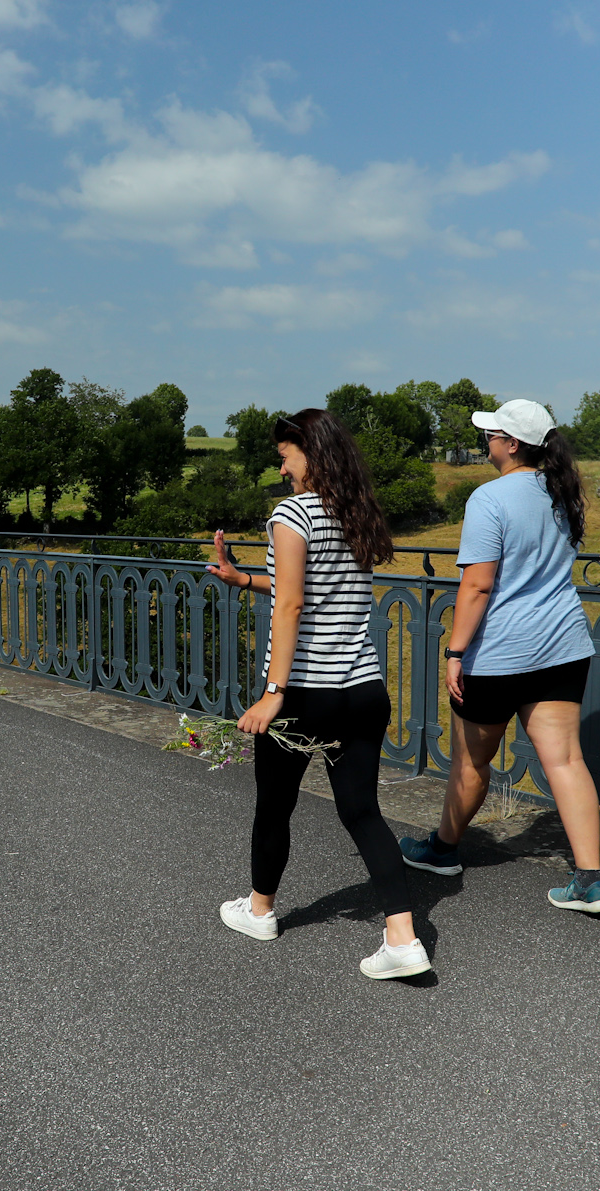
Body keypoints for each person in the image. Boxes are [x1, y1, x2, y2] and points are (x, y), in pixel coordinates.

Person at [204, 409, 430, 980]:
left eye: (286, 456)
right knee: (362, 812)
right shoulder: (355, 514)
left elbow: (292, 605)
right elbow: (305, 588)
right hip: (363, 689)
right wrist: (242, 578)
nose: (282, 469)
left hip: (308, 691)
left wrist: (273, 692)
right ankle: (402, 939)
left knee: (274, 805)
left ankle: (259, 911)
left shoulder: (293, 513)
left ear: (312, 452)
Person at [395, 400, 600, 912]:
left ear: (512, 444)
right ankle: (590, 879)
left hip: (500, 652)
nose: (484, 441)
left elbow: (476, 585)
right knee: (566, 759)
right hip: (562, 645)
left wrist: (454, 651)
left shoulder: (488, 498)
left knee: (471, 760)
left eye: (490, 434)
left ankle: (442, 851)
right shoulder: (561, 492)